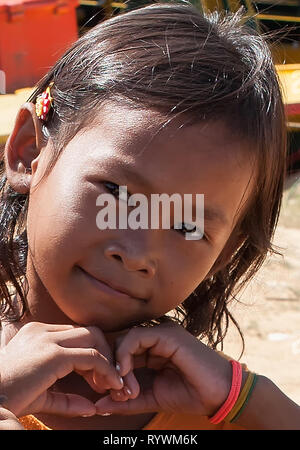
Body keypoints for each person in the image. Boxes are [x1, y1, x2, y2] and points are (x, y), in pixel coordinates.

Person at [0, 1, 299, 431]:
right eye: (118, 194)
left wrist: (248, 397)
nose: (140, 252)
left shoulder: (216, 407)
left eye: (188, 226)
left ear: (224, 252)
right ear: (30, 152)